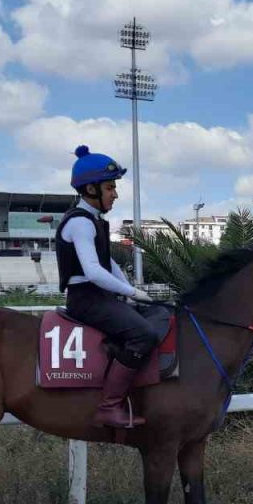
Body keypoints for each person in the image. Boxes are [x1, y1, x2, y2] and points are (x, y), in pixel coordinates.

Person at [55, 145, 159, 428]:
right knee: (144, 334)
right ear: (90, 189)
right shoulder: (80, 223)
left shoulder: (93, 221)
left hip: (98, 296)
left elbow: (108, 263)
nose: (115, 193)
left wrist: (133, 291)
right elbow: (94, 272)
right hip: (86, 298)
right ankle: (109, 407)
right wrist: (131, 293)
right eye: (110, 187)